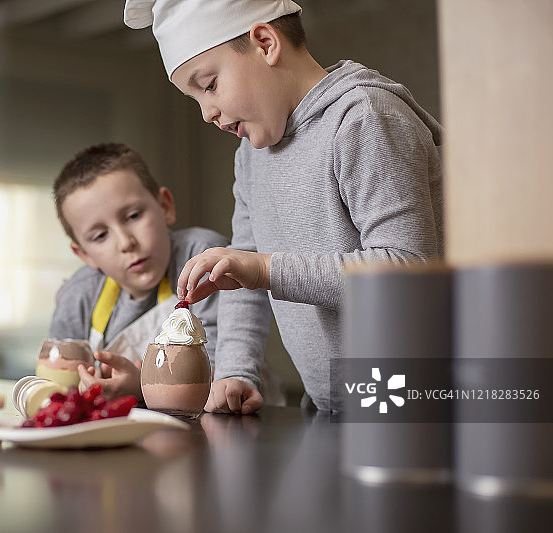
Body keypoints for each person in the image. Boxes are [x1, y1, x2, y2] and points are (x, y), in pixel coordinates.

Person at [123, 0, 444, 412]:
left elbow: (409, 271)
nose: (207, 113)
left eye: (209, 85)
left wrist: (262, 270)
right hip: (332, 404)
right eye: (194, 98)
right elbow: (241, 268)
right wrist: (235, 371)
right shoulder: (251, 156)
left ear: (265, 43)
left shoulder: (363, 118)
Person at [48, 142, 238, 403]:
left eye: (134, 216)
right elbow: (55, 384)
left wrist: (142, 389)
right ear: (84, 254)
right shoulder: (78, 295)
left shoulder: (203, 259)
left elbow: (220, 376)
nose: (126, 243)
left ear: (165, 207)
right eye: (101, 235)